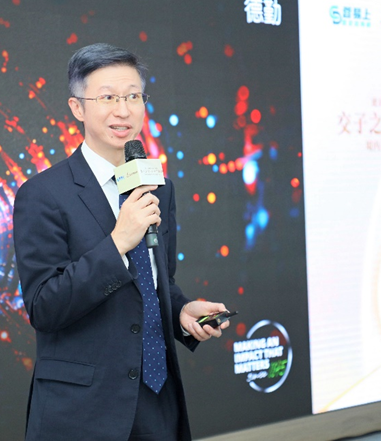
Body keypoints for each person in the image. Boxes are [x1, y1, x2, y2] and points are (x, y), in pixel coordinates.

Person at [13, 43, 229, 441]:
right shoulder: (42, 194)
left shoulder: (158, 187)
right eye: (108, 98)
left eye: (133, 97)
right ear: (77, 108)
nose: (123, 110)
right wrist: (117, 244)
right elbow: (45, 306)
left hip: (157, 401)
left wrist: (181, 310)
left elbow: (156, 282)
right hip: (82, 411)